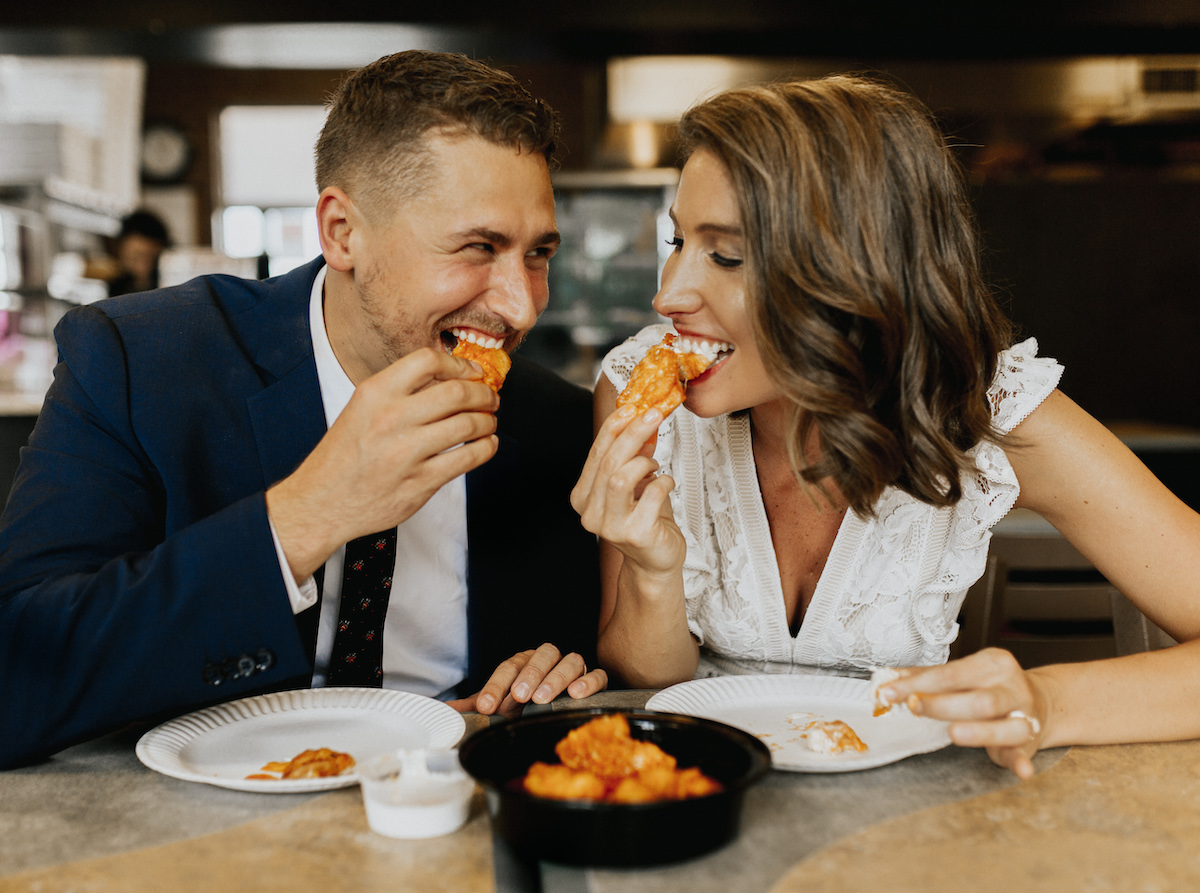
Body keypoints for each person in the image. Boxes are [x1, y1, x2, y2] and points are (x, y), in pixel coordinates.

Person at [571, 74, 1200, 779]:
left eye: (725, 254)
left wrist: (1047, 698)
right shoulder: (635, 394)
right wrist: (655, 573)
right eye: (677, 240)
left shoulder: (991, 411)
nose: (668, 295)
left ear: (853, 271)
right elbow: (645, 688)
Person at [0, 51, 605, 770]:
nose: (523, 303)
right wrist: (305, 514)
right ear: (342, 231)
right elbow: (17, 676)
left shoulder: (559, 423)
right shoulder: (137, 361)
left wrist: (556, 674)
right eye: (479, 246)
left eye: (538, 253)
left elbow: (580, 667)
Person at [106, 209, 171, 296]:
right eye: (135, 258)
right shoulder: (113, 288)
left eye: (151, 258)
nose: (142, 267)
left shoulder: (169, 287)